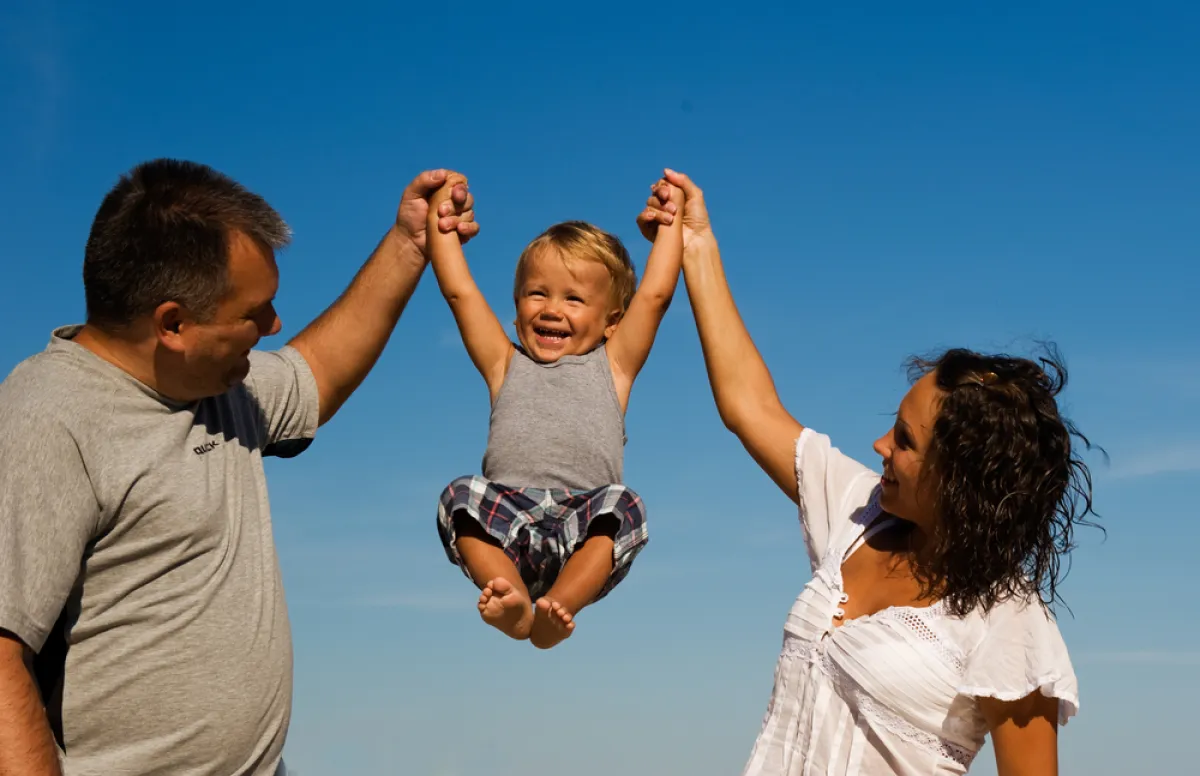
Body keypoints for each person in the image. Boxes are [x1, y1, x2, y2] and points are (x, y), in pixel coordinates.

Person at [0, 159, 478, 776]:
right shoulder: (47, 418)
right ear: (173, 324)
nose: (274, 325)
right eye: (255, 311)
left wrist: (409, 244)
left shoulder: (219, 389)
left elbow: (316, 371)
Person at [638, 171, 1098, 775]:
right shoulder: (859, 512)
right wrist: (695, 243)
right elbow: (749, 407)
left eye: (904, 440)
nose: (880, 444)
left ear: (960, 481)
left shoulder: (1011, 620)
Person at [427, 172, 685, 649]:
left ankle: (559, 605)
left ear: (612, 321)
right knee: (459, 496)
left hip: (580, 524)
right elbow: (459, 293)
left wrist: (671, 225)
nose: (551, 309)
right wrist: (440, 223)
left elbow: (655, 297)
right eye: (537, 293)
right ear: (516, 306)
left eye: (574, 298)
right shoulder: (504, 364)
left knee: (624, 505)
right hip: (509, 520)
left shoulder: (613, 367)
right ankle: (512, 598)